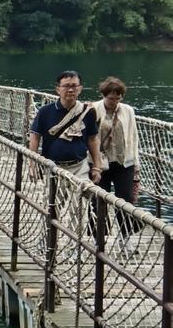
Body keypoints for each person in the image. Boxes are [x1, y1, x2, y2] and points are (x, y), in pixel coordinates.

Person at [28, 69, 102, 182]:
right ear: (58, 89)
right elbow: (35, 137)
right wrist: (32, 164)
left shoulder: (87, 112)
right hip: (52, 166)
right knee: (54, 199)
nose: (71, 90)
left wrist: (97, 167)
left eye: (74, 86)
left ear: (80, 89)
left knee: (80, 198)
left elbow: (93, 139)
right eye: (66, 86)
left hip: (80, 167)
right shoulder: (45, 111)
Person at [93, 75, 139, 217]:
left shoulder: (128, 110)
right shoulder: (92, 109)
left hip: (123, 161)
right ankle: (98, 235)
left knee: (126, 200)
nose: (114, 102)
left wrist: (136, 165)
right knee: (98, 199)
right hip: (99, 162)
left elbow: (133, 137)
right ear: (103, 95)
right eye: (110, 98)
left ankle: (126, 235)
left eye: (118, 98)